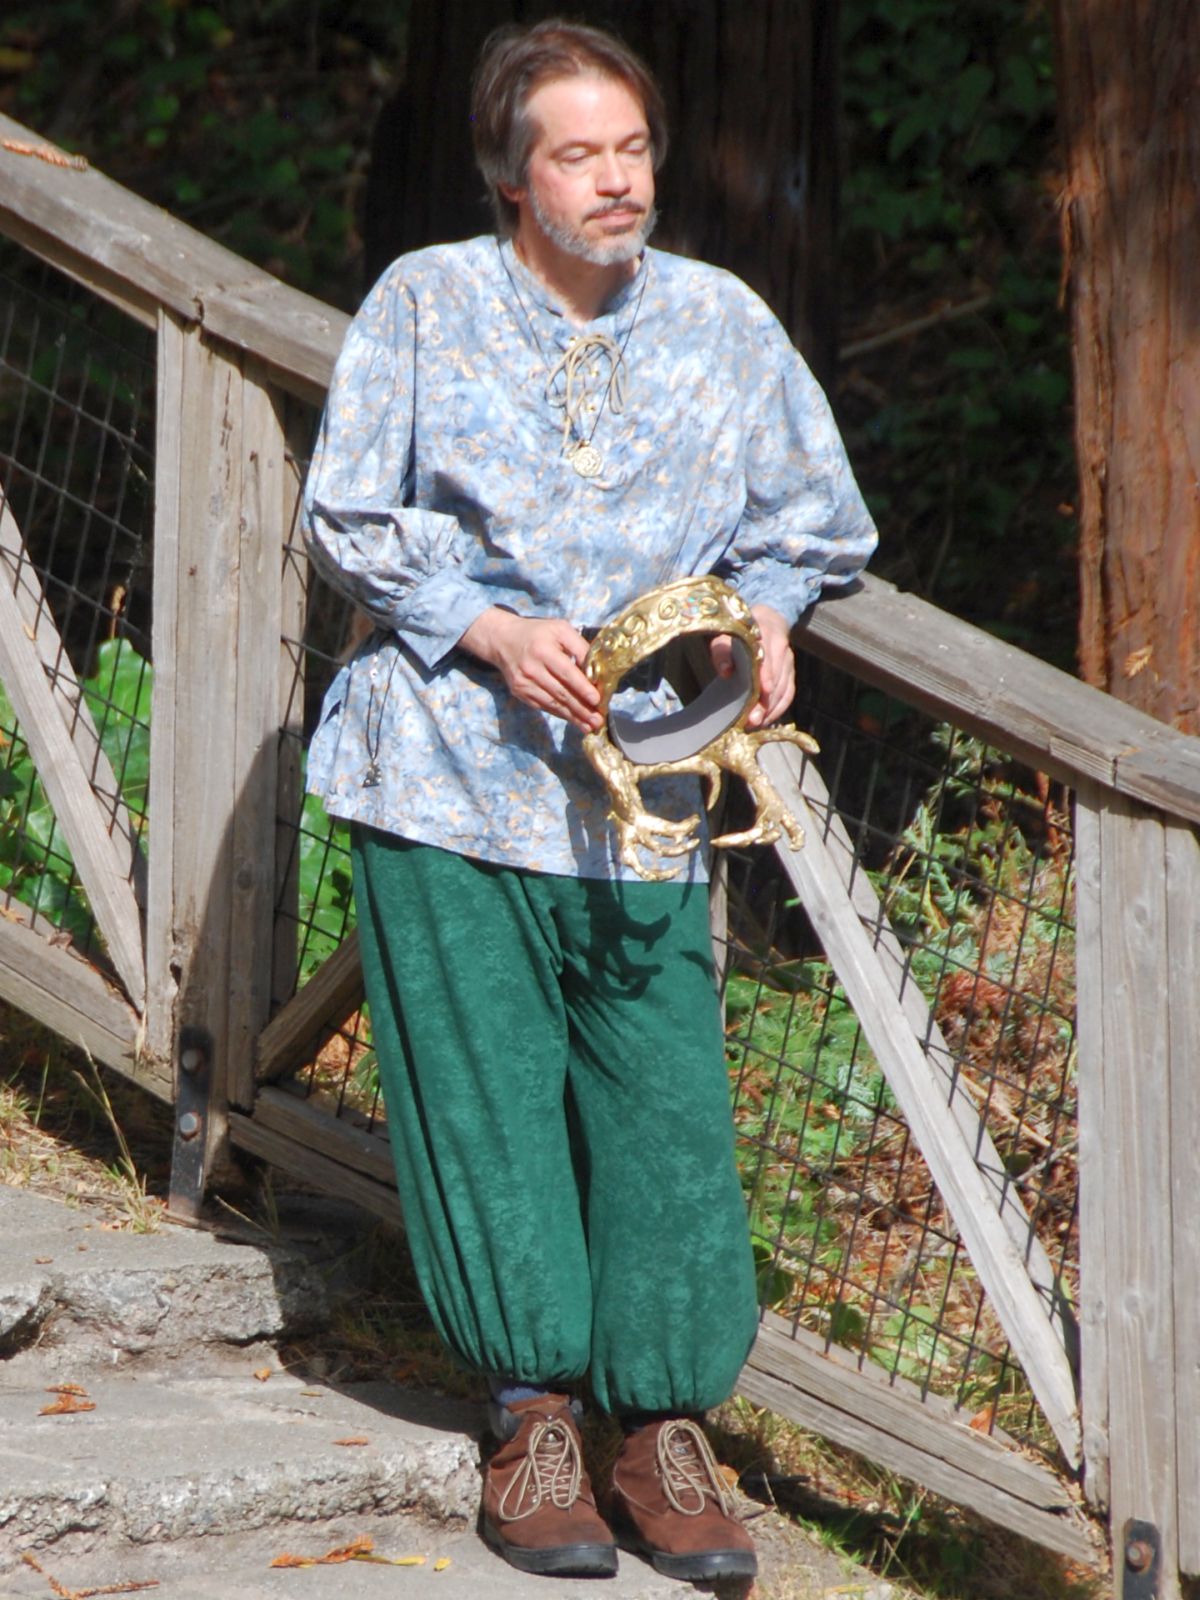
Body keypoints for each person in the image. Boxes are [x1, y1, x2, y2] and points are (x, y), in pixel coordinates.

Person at [303, 18, 877, 1585]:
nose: (617, 179)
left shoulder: (722, 323)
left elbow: (813, 520)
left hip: (649, 793)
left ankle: (661, 1429)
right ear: (514, 176)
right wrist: (486, 628)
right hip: (446, 771)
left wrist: (769, 616)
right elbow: (346, 513)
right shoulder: (424, 304)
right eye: (578, 154)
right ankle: (532, 1420)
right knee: (488, 1100)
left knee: (667, 1109)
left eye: (632, 149)